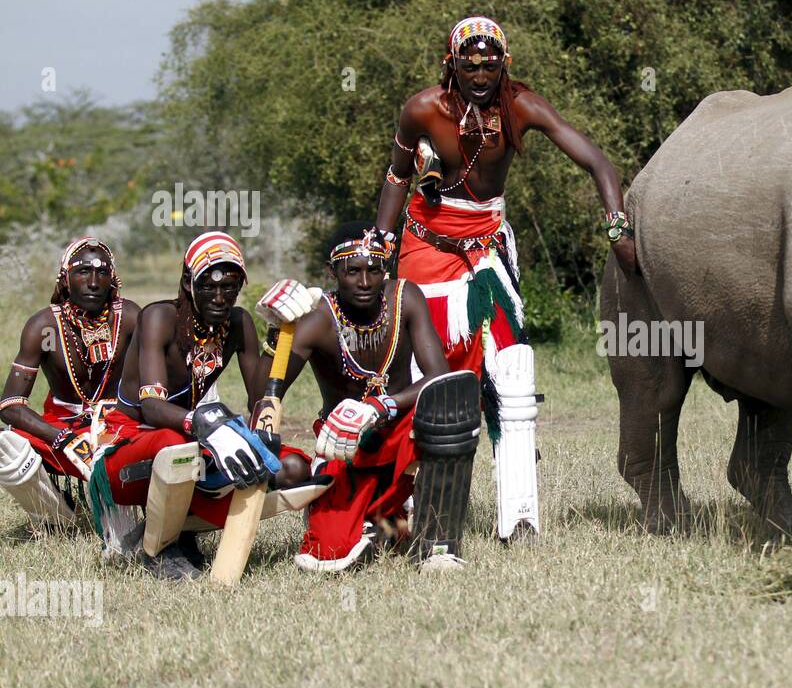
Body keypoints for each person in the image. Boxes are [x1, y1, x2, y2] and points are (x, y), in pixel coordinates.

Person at [374, 15, 635, 537]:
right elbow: (398, 177)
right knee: (423, 376)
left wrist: (617, 229)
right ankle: (404, 509)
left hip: (488, 252)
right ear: (452, 65)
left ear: (504, 64)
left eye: (490, 64)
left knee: (512, 372)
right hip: (425, 250)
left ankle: (519, 517)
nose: (479, 74)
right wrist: (381, 245)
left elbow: (599, 164)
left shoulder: (521, 106)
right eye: (469, 65)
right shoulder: (423, 109)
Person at [253, 222, 480, 572]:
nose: (364, 282)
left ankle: (438, 545)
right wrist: (276, 335)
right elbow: (263, 393)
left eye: (374, 270)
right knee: (328, 554)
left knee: (448, 407)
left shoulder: (406, 298)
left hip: (399, 434)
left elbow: (439, 377)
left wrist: (382, 404)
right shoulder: (317, 320)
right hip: (346, 449)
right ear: (332, 272)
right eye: (352, 271)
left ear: (384, 269)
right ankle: (383, 519)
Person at [91, 231, 312, 579]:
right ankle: (161, 547)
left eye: (230, 287)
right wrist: (203, 423)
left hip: (192, 439)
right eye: (208, 286)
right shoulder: (159, 318)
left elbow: (259, 400)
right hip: (133, 441)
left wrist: (277, 337)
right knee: (176, 448)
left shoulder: (237, 323)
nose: (220, 297)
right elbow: (151, 408)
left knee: (293, 467)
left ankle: (184, 527)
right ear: (187, 282)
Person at [0, 237, 139, 527]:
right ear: (65, 279)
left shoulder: (129, 318)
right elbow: (10, 405)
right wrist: (60, 438)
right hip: (61, 426)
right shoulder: (43, 327)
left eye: (102, 272)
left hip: (117, 424)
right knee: (6, 446)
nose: (93, 281)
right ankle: (58, 518)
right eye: (82, 271)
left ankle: (137, 514)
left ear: (113, 278)